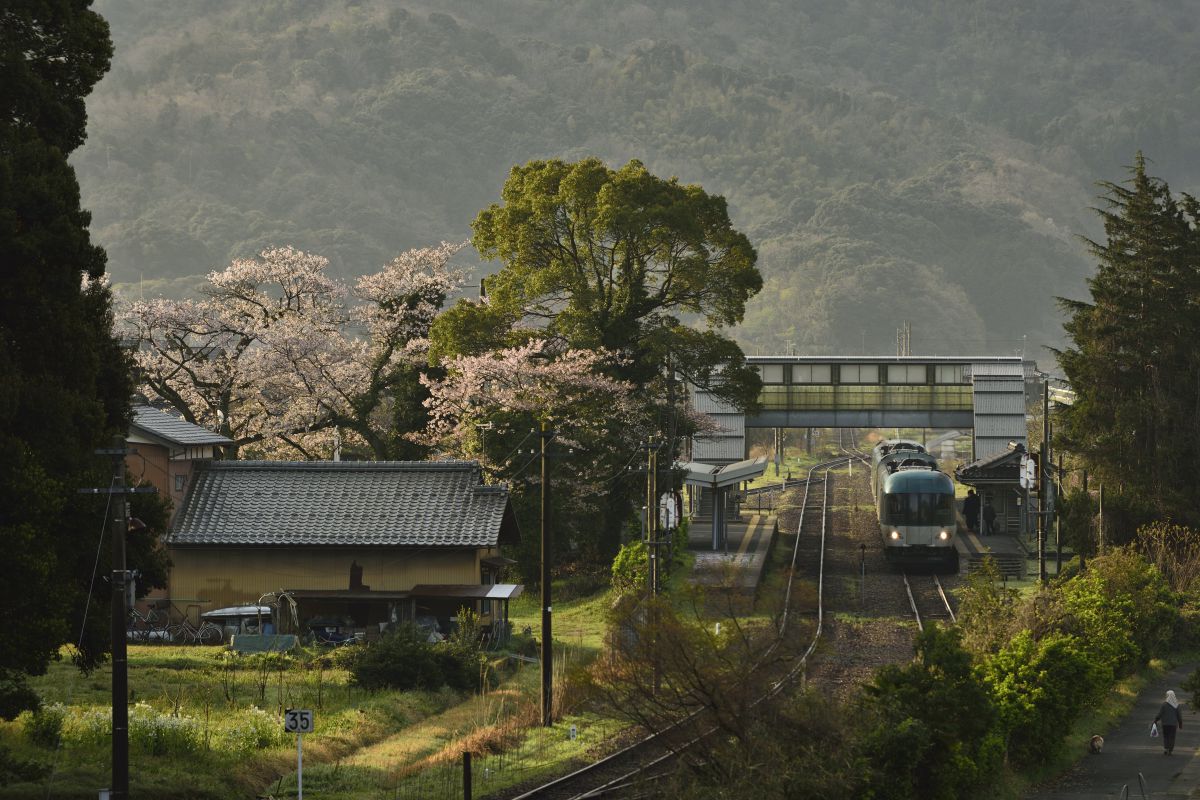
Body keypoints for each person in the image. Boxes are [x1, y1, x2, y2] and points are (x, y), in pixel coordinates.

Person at [1155, 690, 1184, 755]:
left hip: (1165, 724)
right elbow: (1179, 715)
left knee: (1166, 736)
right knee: (1172, 737)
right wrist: (1180, 724)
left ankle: (1166, 748)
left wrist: (1156, 720)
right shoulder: (1177, 705)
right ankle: (1170, 750)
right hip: (1173, 724)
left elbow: (1160, 714)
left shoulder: (1164, 705)